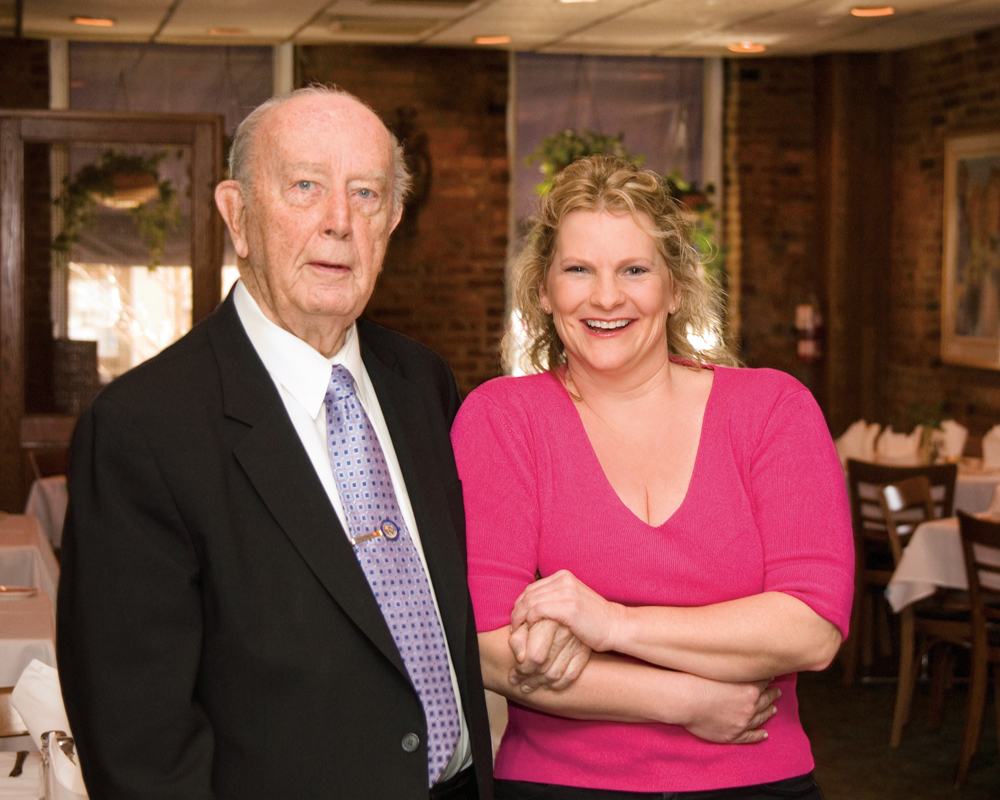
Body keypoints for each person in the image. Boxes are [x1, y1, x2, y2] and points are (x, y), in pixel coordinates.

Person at [57, 86, 494, 800]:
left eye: (366, 194)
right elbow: (139, 748)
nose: (338, 223)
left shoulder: (423, 384)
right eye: (304, 187)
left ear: (391, 223)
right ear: (238, 215)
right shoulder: (144, 429)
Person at [451, 155, 854, 799]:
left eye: (634, 270)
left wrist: (611, 624)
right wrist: (687, 700)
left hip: (757, 782)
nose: (606, 297)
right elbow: (494, 648)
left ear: (674, 286)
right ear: (544, 289)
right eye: (578, 270)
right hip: (559, 786)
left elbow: (810, 629)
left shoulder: (772, 410)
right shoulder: (500, 420)